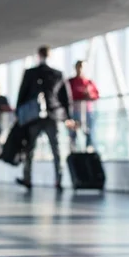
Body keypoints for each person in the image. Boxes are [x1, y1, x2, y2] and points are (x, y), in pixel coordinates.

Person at [15, 46, 75, 191]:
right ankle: (58, 180)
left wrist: (19, 114)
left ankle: (27, 178)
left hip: (33, 117)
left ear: (38, 56)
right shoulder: (57, 74)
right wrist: (68, 117)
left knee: (30, 149)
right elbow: (66, 98)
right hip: (54, 115)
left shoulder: (30, 73)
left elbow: (22, 95)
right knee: (57, 149)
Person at [67, 60, 99, 151]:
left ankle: (88, 149)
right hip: (74, 111)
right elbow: (66, 96)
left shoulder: (89, 82)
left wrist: (89, 95)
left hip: (87, 111)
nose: (80, 69)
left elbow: (96, 95)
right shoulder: (70, 82)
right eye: (79, 66)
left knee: (89, 131)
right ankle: (73, 151)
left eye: (82, 67)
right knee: (73, 132)